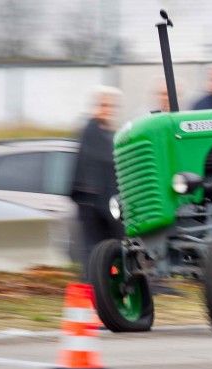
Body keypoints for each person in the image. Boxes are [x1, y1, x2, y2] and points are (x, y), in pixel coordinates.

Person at [70, 86, 125, 282]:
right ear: (95, 106)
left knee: (108, 249)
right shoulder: (91, 132)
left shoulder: (111, 135)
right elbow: (93, 168)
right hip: (92, 203)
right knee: (92, 250)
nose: (107, 109)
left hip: (107, 203)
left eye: (110, 105)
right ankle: (90, 286)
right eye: (103, 104)